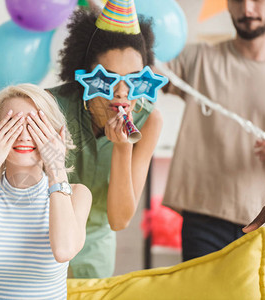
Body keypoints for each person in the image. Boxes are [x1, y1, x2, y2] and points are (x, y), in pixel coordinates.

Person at [160, 0, 265, 262]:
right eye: (238, 0)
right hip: (204, 217)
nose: (247, 9)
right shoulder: (198, 59)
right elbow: (137, 62)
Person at [47, 0, 164, 278]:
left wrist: (122, 149)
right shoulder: (51, 108)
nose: (122, 92)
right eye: (108, 78)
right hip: (43, 235)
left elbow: (119, 219)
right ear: (85, 75)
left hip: (96, 245)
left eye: (133, 79)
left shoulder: (150, 121)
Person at [0, 84, 92, 299]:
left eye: (35, 125)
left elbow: (64, 251)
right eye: (13, 125)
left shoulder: (77, 195)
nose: (24, 136)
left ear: (55, 134)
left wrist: (56, 168)